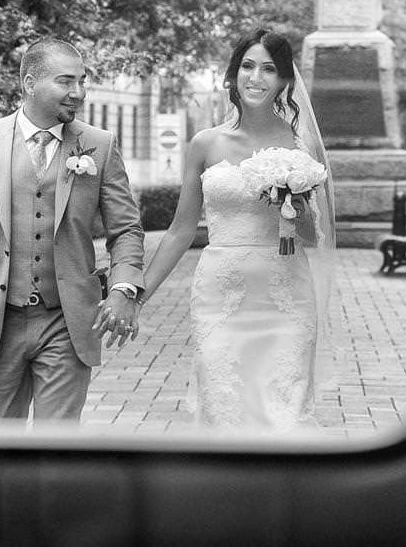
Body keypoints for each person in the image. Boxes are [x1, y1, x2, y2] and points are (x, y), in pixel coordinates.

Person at [0, 38, 146, 424]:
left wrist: (125, 288)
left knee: (56, 452)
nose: (77, 93)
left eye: (82, 81)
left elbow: (126, 229)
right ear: (29, 83)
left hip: (67, 320)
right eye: (65, 81)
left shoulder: (99, 145)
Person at [134, 28, 337, 432]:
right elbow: (179, 231)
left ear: (284, 81)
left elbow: (316, 238)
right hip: (220, 297)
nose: (256, 78)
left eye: (269, 69)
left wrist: (295, 204)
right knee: (224, 403)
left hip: (286, 298)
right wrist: (136, 295)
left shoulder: (302, 148)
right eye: (247, 66)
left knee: (282, 412)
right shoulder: (205, 144)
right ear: (232, 75)